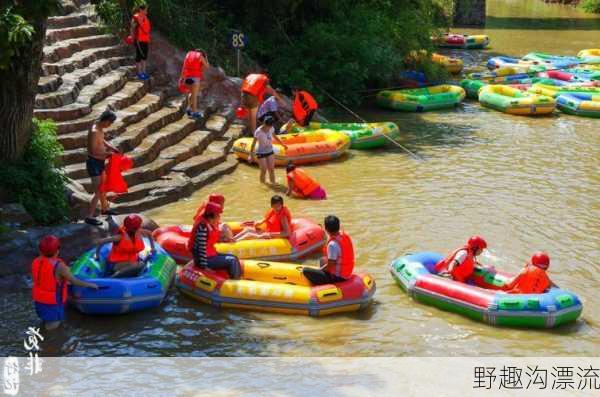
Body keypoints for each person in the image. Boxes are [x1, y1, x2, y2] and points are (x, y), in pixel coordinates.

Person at [32, 235, 98, 330]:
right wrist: (90, 284)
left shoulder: (36, 261)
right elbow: (74, 281)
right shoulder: (60, 267)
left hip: (38, 301)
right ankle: (48, 343)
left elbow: (46, 278)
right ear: (57, 250)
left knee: (45, 323)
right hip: (52, 303)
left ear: (40, 251)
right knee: (52, 332)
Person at [188, 202, 241, 279]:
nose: (219, 217)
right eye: (218, 215)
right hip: (205, 260)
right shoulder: (203, 227)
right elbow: (201, 248)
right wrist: (204, 267)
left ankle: (234, 277)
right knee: (232, 260)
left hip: (210, 255)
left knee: (233, 257)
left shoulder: (209, 225)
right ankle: (236, 281)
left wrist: (224, 240)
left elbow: (210, 241)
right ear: (211, 216)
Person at [86, 109, 119, 226]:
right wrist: (109, 154)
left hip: (100, 162)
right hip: (94, 163)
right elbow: (93, 151)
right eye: (109, 123)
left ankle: (105, 209)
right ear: (105, 120)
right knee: (98, 191)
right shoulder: (94, 131)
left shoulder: (98, 126)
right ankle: (89, 217)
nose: (109, 126)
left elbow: (102, 140)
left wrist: (111, 147)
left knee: (103, 187)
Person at [302, 215, 354, 285]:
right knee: (322, 260)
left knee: (305, 271)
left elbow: (330, 266)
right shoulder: (344, 236)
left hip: (338, 278)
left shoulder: (332, 244)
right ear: (338, 226)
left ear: (326, 229)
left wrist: (319, 270)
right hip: (347, 273)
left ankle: (320, 285)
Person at [248, 115, 287, 185]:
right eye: (267, 126)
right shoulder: (258, 131)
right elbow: (253, 144)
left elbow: (275, 137)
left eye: (270, 126)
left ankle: (273, 183)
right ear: (264, 123)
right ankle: (262, 185)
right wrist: (251, 155)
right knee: (263, 170)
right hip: (261, 152)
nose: (268, 128)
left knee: (271, 169)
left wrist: (282, 144)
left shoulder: (271, 128)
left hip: (270, 151)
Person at [179, 49, 210, 119]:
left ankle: (188, 108)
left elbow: (184, 66)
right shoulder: (200, 56)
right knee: (195, 95)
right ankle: (195, 112)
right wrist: (206, 58)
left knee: (191, 94)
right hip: (195, 78)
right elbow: (207, 66)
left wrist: (182, 78)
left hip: (187, 77)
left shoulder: (188, 54)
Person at [131, 4, 151, 80]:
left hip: (145, 40)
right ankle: (139, 73)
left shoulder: (145, 18)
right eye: (146, 10)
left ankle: (144, 72)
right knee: (139, 57)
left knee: (144, 57)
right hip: (138, 41)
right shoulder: (136, 18)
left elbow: (147, 29)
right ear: (141, 10)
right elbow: (132, 28)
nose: (147, 11)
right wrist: (132, 38)